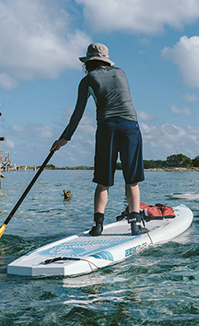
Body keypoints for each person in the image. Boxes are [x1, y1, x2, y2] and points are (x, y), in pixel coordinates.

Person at [51, 43, 147, 236]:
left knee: (103, 181)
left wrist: (64, 139)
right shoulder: (121, 73)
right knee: (132, 180)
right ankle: (135, 225)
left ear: (89, 62)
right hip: (131, 126)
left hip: (107, 128)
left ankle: (98, 226)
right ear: (106, 59)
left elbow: (77, 113)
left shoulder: (87, 80)